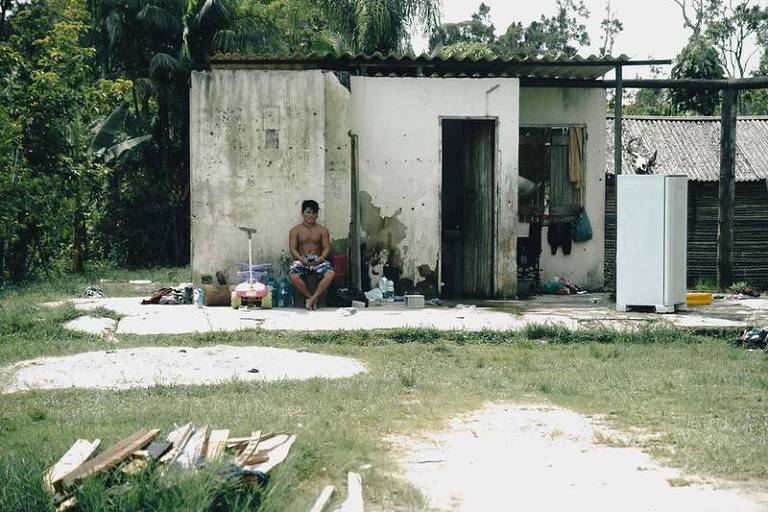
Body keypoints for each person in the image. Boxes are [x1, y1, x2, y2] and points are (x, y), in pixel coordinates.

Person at [288, 200, 336, 310]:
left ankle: (313, 299)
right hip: (301, 260)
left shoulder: (322, 230)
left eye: (314, 213)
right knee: (293, 276)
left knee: (330, 274)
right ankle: (310, 298)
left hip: (318, 260)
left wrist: (321, 258)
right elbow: (292, 248)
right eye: (308, 212)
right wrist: (301, 259)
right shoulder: (295, 230)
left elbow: (327, 247)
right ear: (302, 213)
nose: (311, 216)